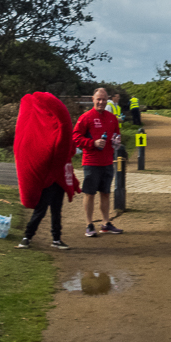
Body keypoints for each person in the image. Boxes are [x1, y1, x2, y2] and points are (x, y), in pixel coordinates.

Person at [13, 90, 78, 250]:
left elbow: (68, 150)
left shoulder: (56, 130)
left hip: (58, 178)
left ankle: (55, 239)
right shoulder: (46, 130)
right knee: (41, 210)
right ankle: (27, 237)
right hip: (49, 178)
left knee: (56, 210)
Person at [73, 87, 124, 237]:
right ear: (93, 100)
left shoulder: (111, 118)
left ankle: (106, 223)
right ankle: (89, 224)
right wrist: (92, 143)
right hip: (91, 162)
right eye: (98, 99)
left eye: (104, 99)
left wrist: (116, 142)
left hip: (108, 162)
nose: (101, 102)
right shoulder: (86, 117)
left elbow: (117, 135)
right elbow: (75, 137)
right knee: (89, 193)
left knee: (106, 193)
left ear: (107, 100)